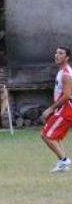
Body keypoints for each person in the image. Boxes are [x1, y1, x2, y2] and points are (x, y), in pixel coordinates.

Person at [41, 45, 72, 173]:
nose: (57, 55)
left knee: (46, 135)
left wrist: (50, 109)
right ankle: (63, 163)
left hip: (66, 110)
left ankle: (64, 161)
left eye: (61, 53)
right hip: (63, 110)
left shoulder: (65, 74)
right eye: (56, 53)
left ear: (67, 57)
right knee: (55, 136)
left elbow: (67, 95)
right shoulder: (62, 71)